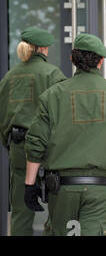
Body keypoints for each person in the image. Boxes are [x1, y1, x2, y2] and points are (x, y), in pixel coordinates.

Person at [23, 33, 106, 236]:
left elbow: (36, 144)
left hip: (61, 190)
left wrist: (30, 185)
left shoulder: (52, 96)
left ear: (72, 59)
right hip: (101, 190)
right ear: (101, 62)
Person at [0, 27, 66, 236]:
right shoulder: (53, 74)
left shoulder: (9, 77)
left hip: (19, 147)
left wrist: (10, 142)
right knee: (57, 206)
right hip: (49, 148)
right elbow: (63, 115)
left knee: (21, 210)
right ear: (44, 49)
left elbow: (2, 118)